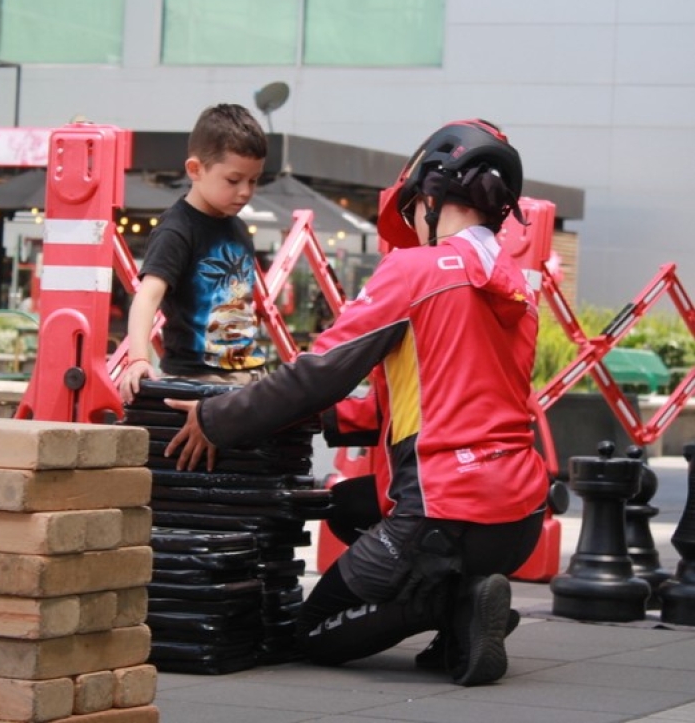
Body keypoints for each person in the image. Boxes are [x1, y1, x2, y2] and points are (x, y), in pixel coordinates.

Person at [163, 118, 550, 686]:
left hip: (445, 512)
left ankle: (450, 606)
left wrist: (216, 417)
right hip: (518, 515)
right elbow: (443, 397)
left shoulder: (416, 268)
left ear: (432, 196)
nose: (414, 221)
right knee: (342, 505)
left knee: (314, 632)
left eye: (414, 206)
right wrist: (311, 422)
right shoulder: (514, 284)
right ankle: (463, 605)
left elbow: (321, 372)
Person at [119, 103, 269, 404]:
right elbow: (147, 296)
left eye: (253, 180)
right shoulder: (177, 229)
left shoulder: (238, 228)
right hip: (195, 382)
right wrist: (137, 358)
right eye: (233, 180)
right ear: (195, 169)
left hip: (245, 377)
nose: (245, 192)